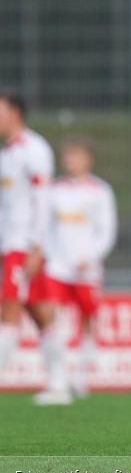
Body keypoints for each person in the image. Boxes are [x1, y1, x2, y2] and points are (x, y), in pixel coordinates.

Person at [0, 91, 66, 405]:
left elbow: (43, 200)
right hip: (9, 244)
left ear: (15, 113)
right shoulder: (8, 154)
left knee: (8, 309)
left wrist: (37, 246)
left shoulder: (34, 149)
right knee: (39, 312)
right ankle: (60, 384)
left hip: (25, 246)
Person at [44, 136, 117, 399]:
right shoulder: (54, 190)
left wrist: (91, 255)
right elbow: (46, 228)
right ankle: (58, 376)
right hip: (57, 267)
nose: (72, 161)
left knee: (87, 319)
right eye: (68, 156)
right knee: (52, 316)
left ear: (89, 159)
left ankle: (82, 375)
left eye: (77, 156)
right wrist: (50, 257)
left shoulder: (101, 191)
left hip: (87, 268)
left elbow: (106, 232)